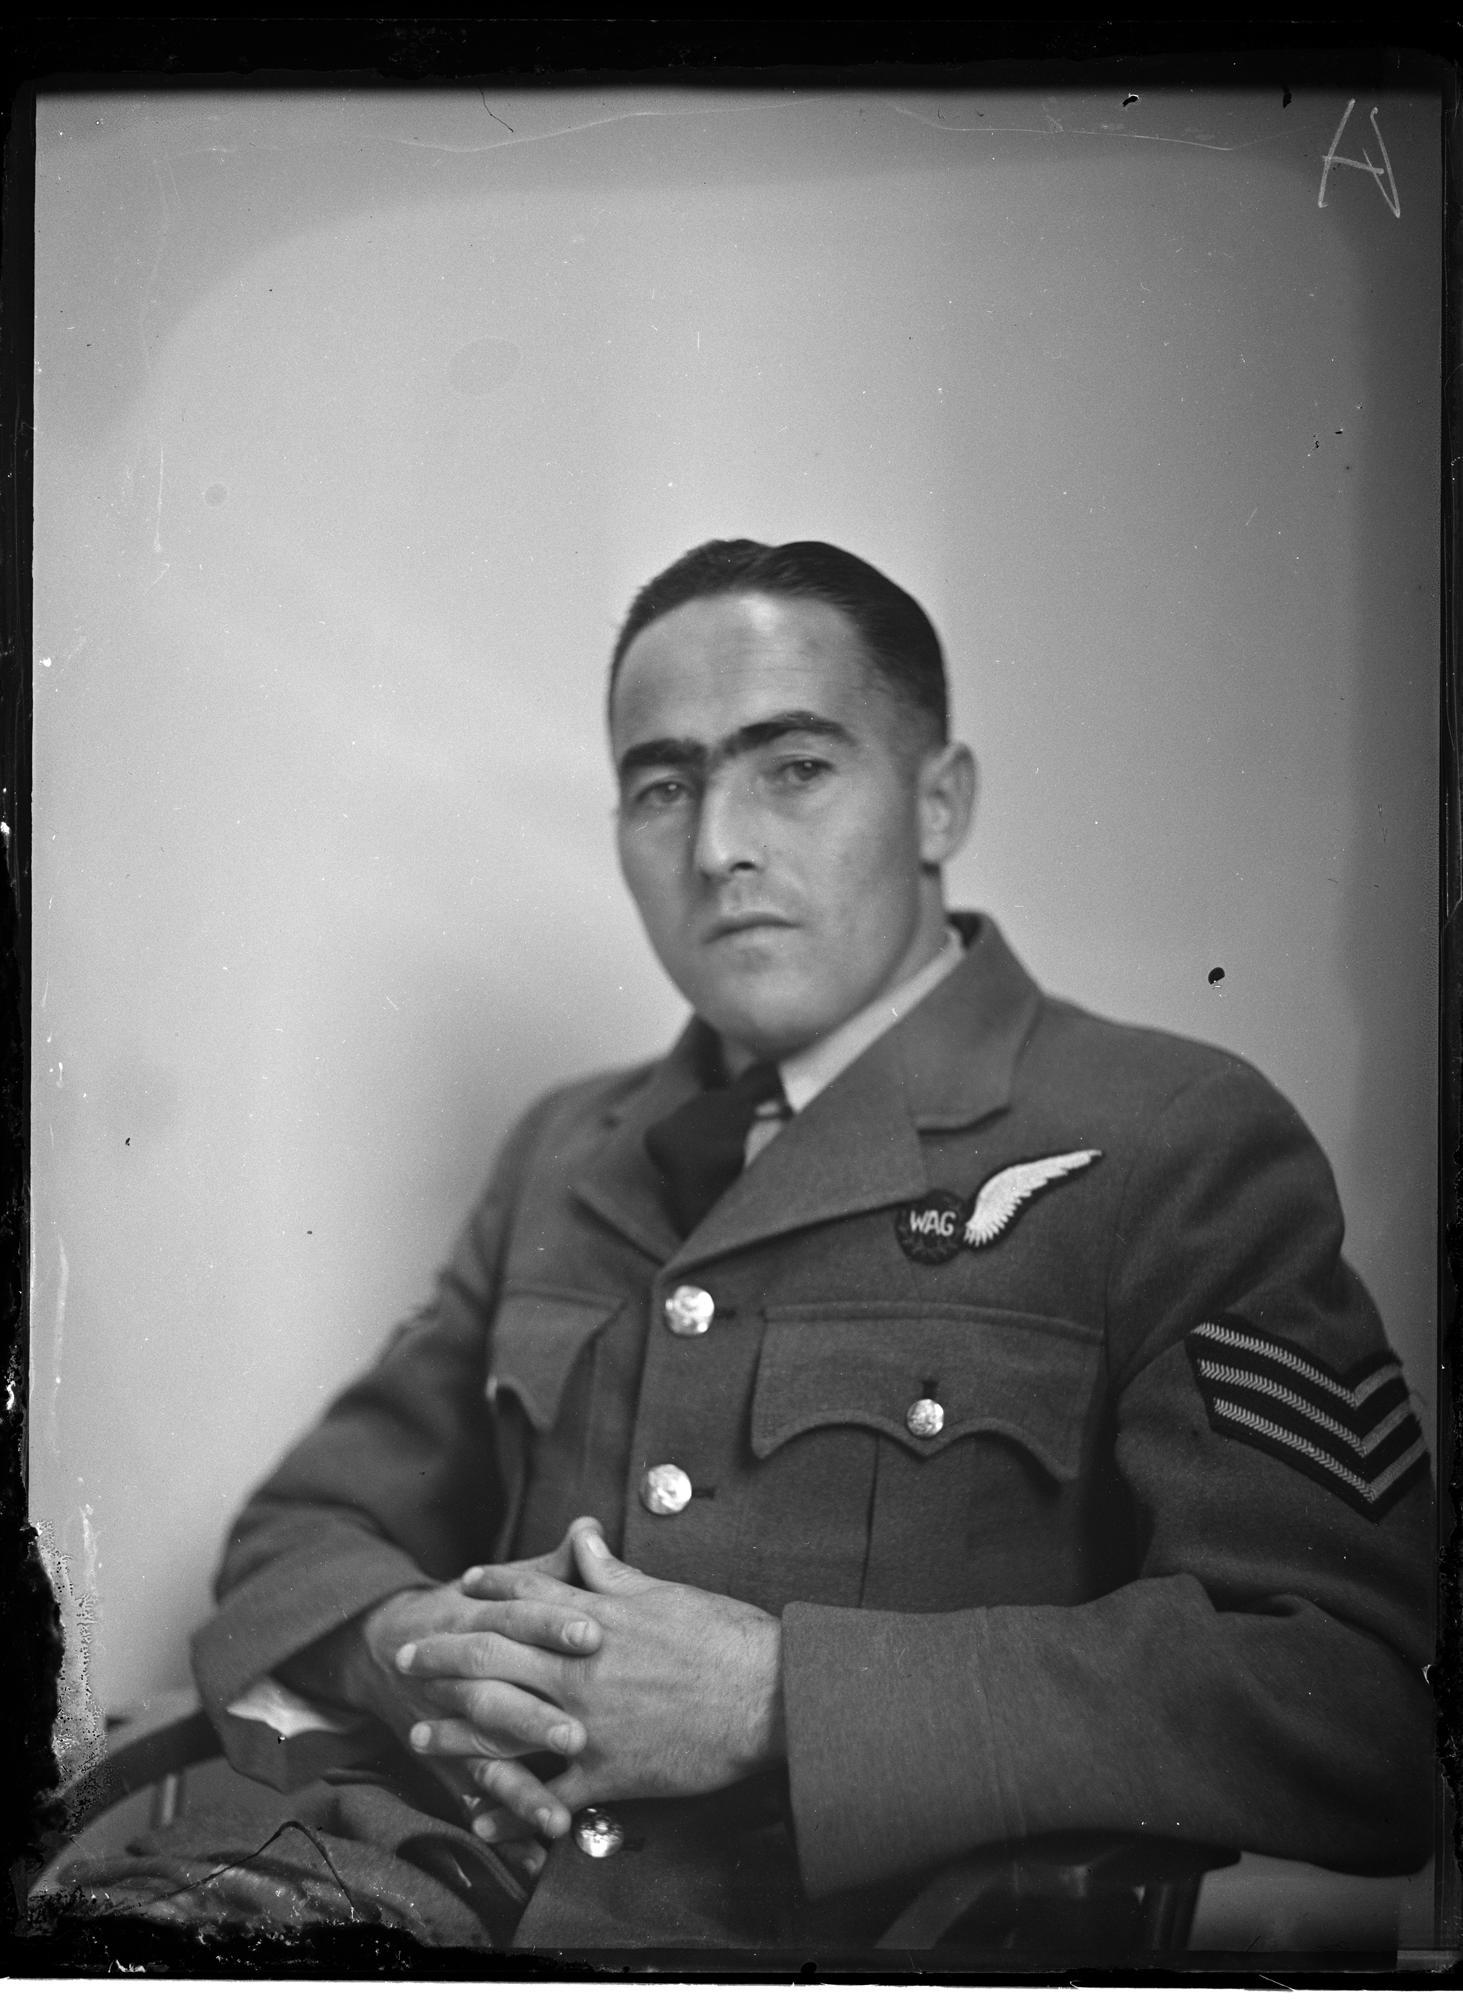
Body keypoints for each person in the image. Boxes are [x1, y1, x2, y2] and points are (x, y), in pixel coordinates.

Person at [69, 541, 1434, 1956]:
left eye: (793, 768)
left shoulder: (1171, 1139)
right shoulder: (567, 1150)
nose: (718, 843)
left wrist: (783, 1698)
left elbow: (1347, 1706)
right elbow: (301, 1536)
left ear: (937, 800)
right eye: (663, 783)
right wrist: (400, 1645)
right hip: (423, 1908)